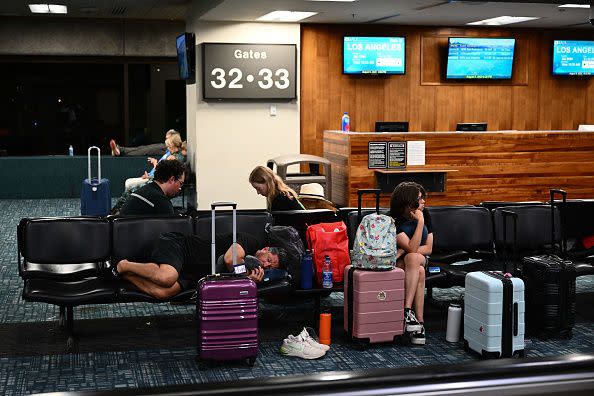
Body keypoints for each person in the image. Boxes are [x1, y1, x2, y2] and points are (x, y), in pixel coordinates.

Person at [113, 231, 287, 299]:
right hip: (181, 248)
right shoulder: (250, 240)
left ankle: (126, 275)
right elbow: (229, 259)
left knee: (163, 293)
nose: (264, 265)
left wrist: (249, 281)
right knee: (167, 278)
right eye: (269, 260)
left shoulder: (250, 269)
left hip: (194, 274)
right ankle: (123, 265)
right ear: (265, 249)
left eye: (269, 267)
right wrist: (244, 278)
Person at [389, 181, 433, 346]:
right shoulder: (395, 219)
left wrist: (405, 250)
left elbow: (428, 248)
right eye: (419, 199)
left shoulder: (425, 214)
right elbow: (413, 246)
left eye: (422, 198)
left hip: (416, 258)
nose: (423, 202)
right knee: (419, 271)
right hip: (399, 261)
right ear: (408, 204)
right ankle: (419, 323)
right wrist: (419, 224)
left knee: (413, 258)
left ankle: (406, 311)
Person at [119, 159, 185, 216]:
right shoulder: (161, 202)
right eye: (181, 183)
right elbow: (170, 229)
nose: (180, 188)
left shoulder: (145, 189)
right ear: (172, 179)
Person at [109, 129, 179, 157]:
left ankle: (120, 150)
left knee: (143, 150)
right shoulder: (168, 145)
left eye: (168, 138)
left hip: (165, 150)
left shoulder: (177, 150)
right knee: (142, 148)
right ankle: (119, 150)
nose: (166, 140)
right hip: (164, 149)